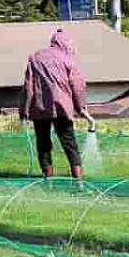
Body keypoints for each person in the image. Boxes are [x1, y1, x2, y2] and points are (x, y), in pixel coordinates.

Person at [20, 28, 96, 181]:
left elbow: (28, 88)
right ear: (65, 43)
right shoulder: (67, 60)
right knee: (69, 143)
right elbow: (78, 85)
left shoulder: (35, 58)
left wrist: (24, 111)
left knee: (43, 143)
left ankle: (48, 180)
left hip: (40, 108)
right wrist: (81, 107)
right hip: (62, 108)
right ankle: (79, 181)